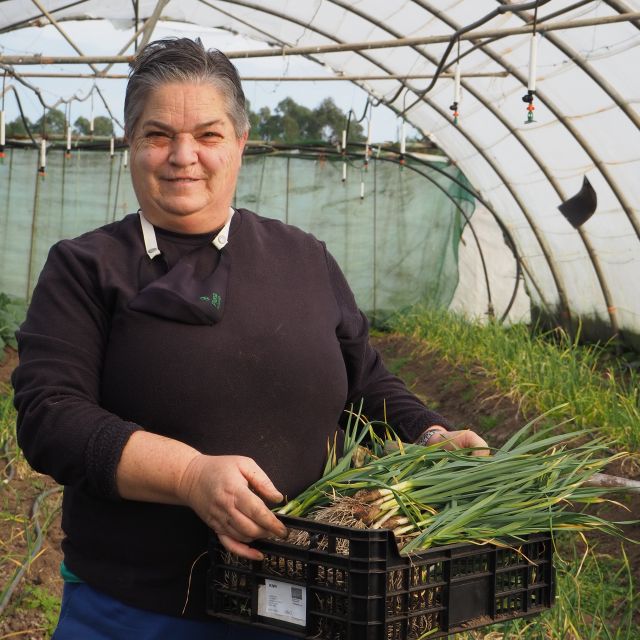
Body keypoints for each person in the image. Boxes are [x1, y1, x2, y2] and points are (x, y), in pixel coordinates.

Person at [12, 38, 488, 639]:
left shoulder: (302, 258)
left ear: (240, 143)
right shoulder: (86, 266)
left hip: (305, 593)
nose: (183, 156)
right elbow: (51, 418)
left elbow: (363, 376)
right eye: (158, 134)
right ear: (130, 144)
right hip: (136, 608)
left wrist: (429, 434)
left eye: (208, 135)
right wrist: (190, 476)